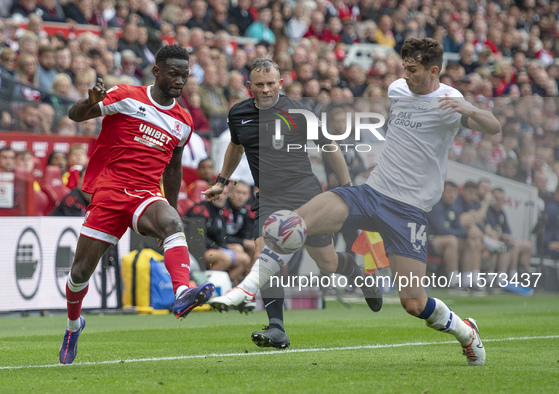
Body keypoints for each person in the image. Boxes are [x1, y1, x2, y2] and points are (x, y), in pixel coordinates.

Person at [255, 39, 502, 366]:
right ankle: (273, 317)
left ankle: (466, 331)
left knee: (413, 303)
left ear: (433, 70)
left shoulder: (450, 101)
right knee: (291, 224)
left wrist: (470, 110)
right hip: (372, 193)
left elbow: (494, 127)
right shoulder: (397, 88)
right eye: (404, 67)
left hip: (408, 210)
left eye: (413, 70)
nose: (406, 74)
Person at [205, 58, 382, 350]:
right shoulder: (238, 114)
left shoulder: (298, 111)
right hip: (269, 197)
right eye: (259, 85)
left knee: (327, 263)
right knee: (264, 251)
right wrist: (222, 181)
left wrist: (349, 188)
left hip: (305, 193)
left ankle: (357, 273)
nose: (265, 90)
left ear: (281, 83)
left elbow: (329, 145)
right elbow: (237, 146)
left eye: (270, 84)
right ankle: (277, 327)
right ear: (249, 86)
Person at [59, 45, 214, 364]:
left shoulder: (183, 122)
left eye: (185, 75)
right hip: (109, 192)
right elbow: (75, 115)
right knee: (79, 274)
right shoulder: (126, 96)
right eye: (174, 73)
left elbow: (173, 168)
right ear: (157, 71)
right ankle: (74, 325)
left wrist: (170, 209)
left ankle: (182, 292)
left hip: (146, 194)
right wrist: (89, 103)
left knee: (173, 224)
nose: (180, 81)